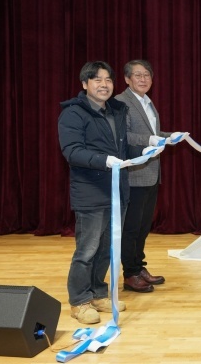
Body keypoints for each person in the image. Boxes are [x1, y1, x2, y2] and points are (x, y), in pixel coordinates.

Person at [58, 61, 148, 324]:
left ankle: (98, 293)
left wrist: (148, 148)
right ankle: (79, 301)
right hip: (91, 192)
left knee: (107, 249)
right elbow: (72, 151)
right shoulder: (73, 114)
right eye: (97, 79)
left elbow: (122, 149)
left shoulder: (117, 110)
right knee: (87, 250)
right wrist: (104, 160)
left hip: (117, 191)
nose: (104, 84)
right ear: (85, 84)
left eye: (108, 79)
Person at [114, 60, 174, 293]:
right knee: (131, 228)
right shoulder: (121, 101)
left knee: (142, 227)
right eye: (137, 75)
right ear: (127, 79)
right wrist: (151, 140)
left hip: (150, 174)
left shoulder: (147, 102)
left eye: (147, 74)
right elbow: (123, 135)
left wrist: (170, 137)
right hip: (134, 174)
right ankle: (130, 274)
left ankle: (139, 268)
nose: (143, 79)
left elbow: (153, 134)